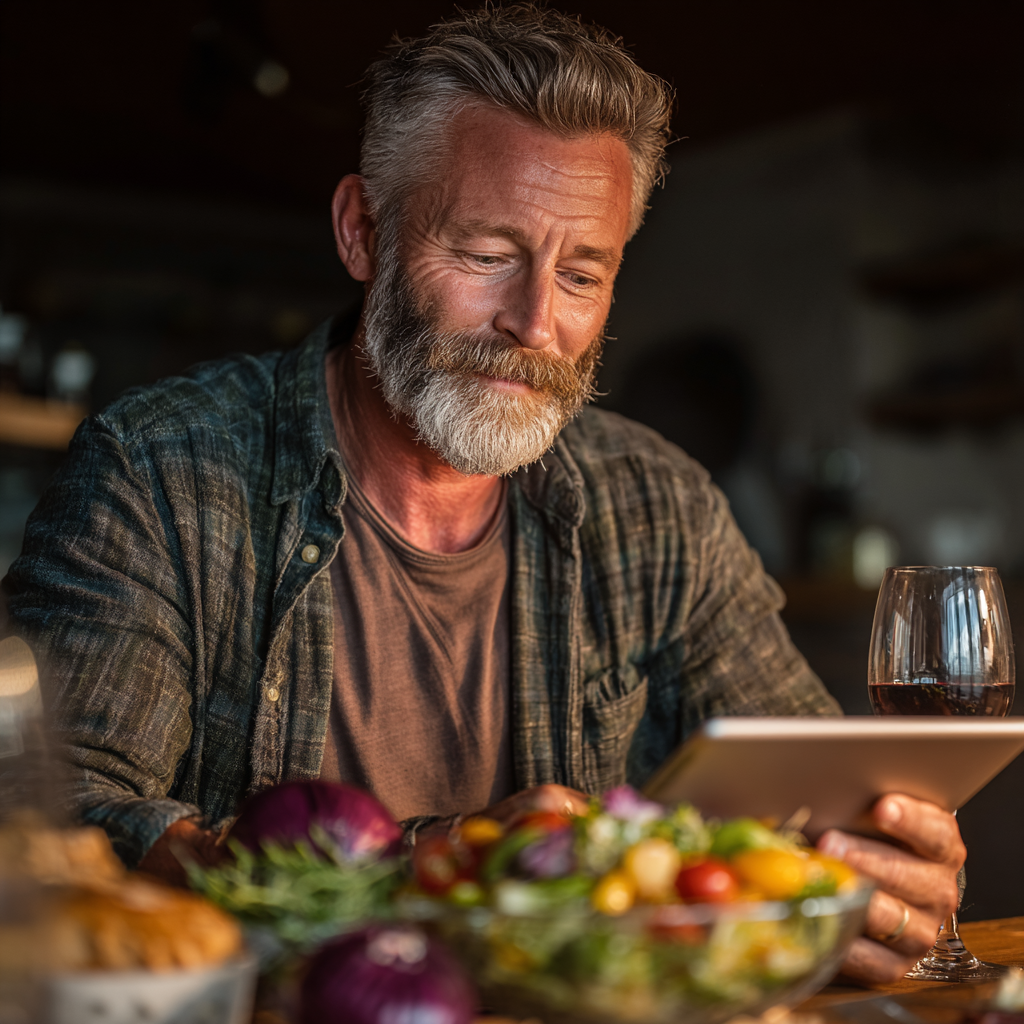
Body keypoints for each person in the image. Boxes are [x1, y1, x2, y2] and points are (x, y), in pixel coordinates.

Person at [1, 5, 960, 983]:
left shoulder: (660, 506)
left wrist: (872, 861)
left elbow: (801, 787)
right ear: (362, 231)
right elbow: (52, 826)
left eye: (582, 273)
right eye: (487, 256)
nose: (535, 322)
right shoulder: (158, 468)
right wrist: (446, 859)